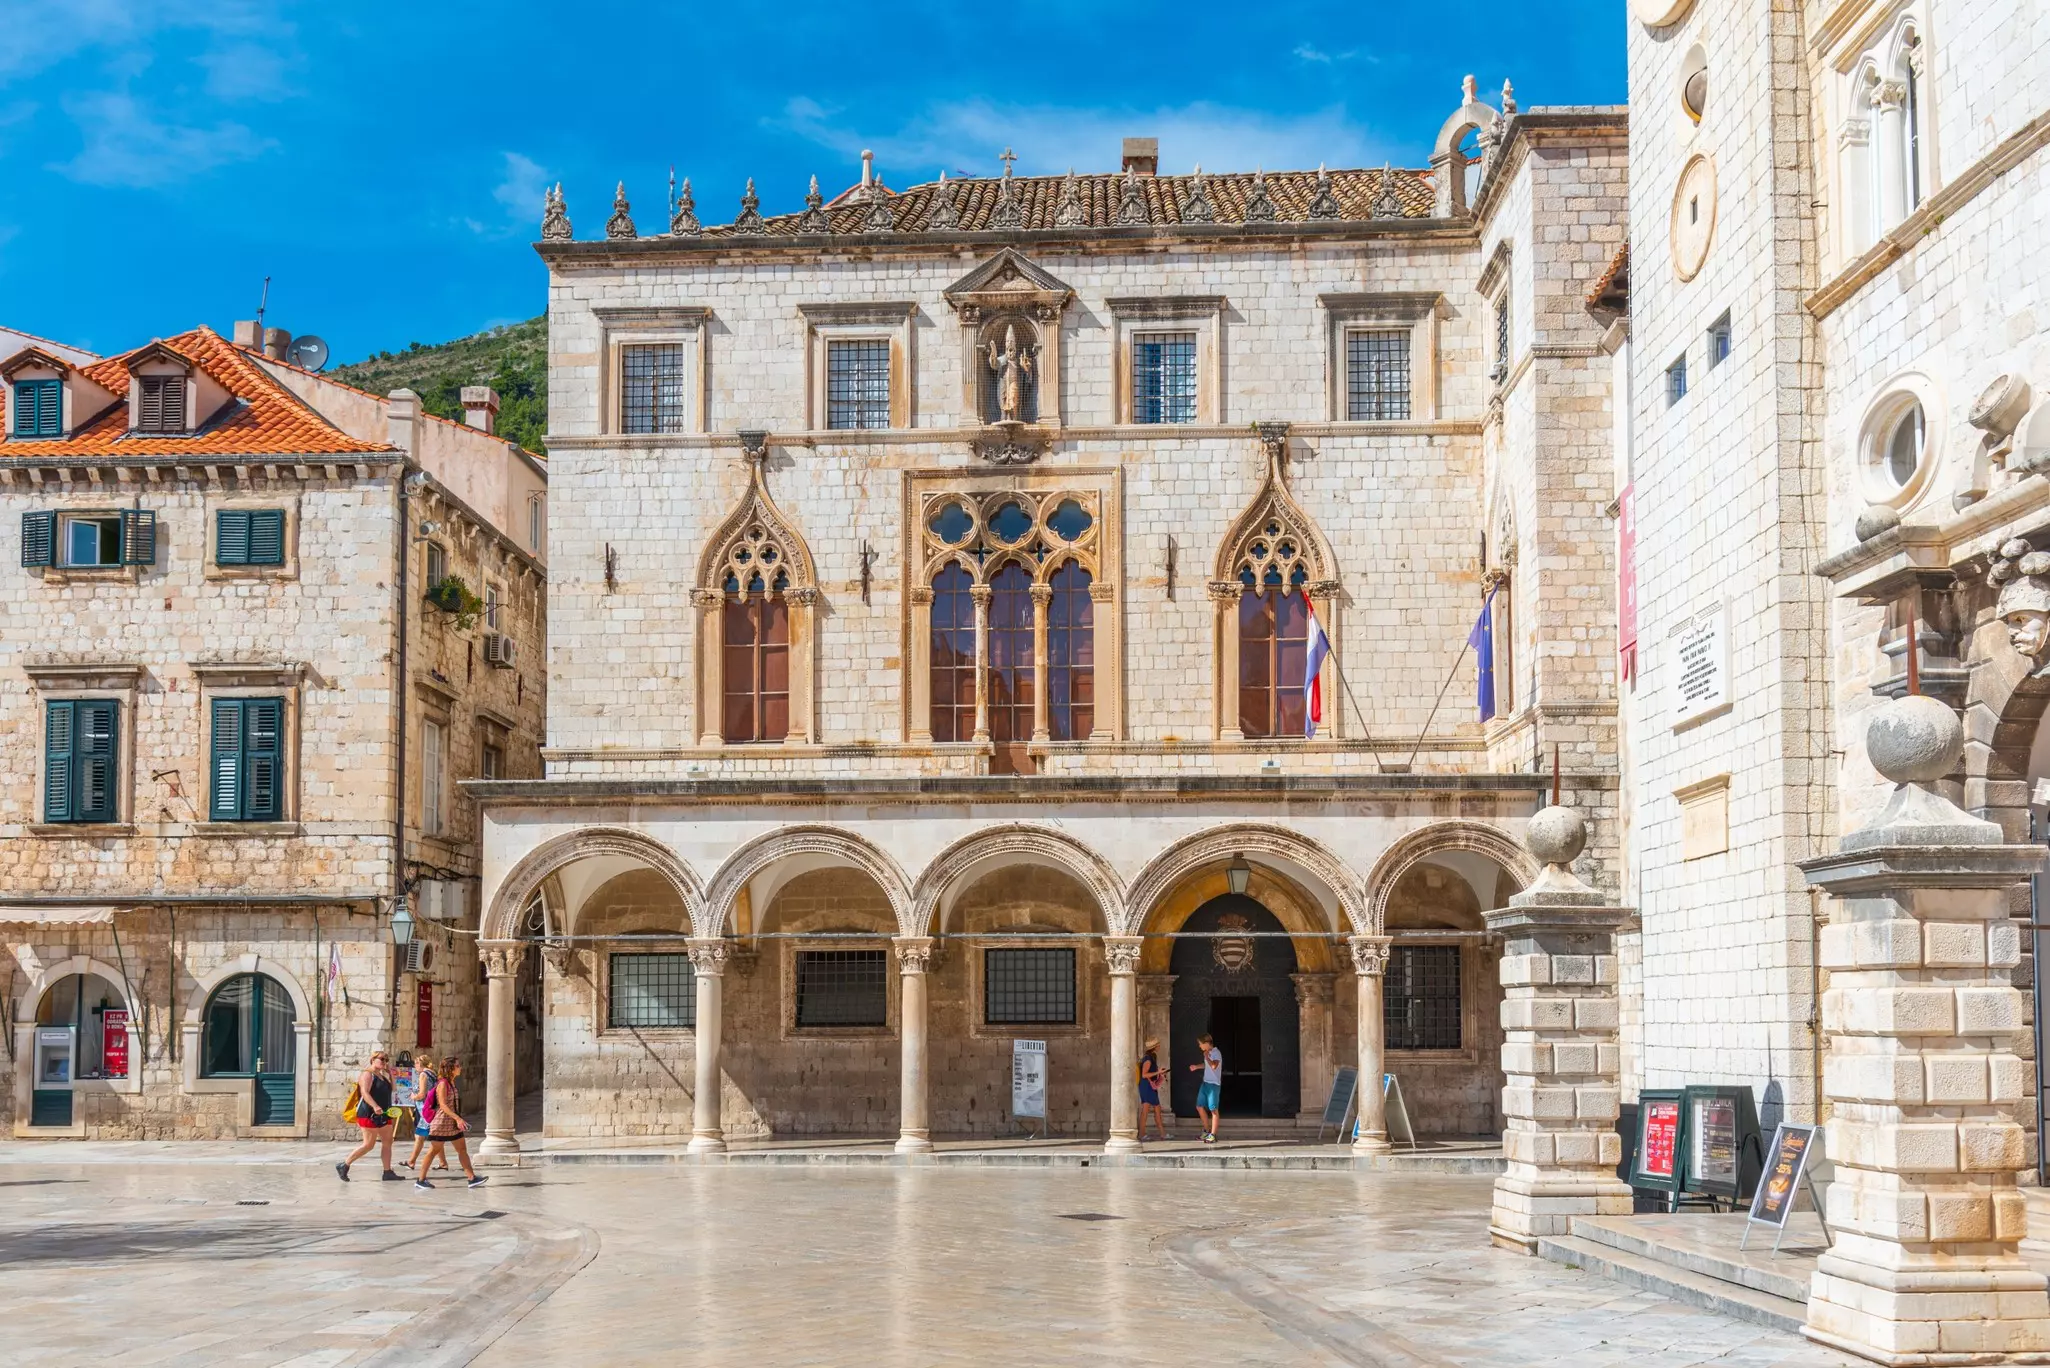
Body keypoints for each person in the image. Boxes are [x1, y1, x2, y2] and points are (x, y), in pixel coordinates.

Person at [415, 1056, 488, 1191]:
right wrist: (458, 1119)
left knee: (462, 1149)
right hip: (442, 1123)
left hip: (452, 1124)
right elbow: (442, 1105)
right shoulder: (443, 1083)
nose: (460, 1068)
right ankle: (420, 1180)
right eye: (458, 1066)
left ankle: (471, 1178)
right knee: (433, 1151)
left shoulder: (451, 1082)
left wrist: (457, 1119)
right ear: (450, 1068)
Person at [337, 1051, 401, 1181]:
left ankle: (387, 1172)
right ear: (373, 1059)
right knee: (368, 1145)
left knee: (388, 1141)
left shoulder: (382, 1076)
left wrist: (391, 1074)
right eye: (382, 1059)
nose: (384, 1062)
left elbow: (394, 1089)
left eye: (386, 1060)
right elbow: (365, 1093)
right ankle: (344, 1165)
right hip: (369, 1114)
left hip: (384, 1114)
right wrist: (375, 1106)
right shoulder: (367, 1074)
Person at [401, 1056, 447, 1177]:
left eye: (415, 1063)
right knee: (435, 1136)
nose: (414, 1066)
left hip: (425, 1111)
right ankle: (443, 1163)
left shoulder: (423, 1075)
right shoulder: (434, 1074)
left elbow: (422, 1094)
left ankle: (411, 1162)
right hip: (432, 1109)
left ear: (420, 1064)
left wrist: (413, 1097)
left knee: (420, 1136)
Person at [1186, 1033, 1223, 1143]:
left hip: (1213, 1085)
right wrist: (1196, 1067)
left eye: (1200, 1044)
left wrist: (1207, 1057)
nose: (1199, 1046)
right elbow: (1207, 1065)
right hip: (1205, 1083)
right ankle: (1206, 1131)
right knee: (1199, 1106)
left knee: (1213, 1109)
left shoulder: (1216, 1053)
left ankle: (1213, 1135)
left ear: (1207, 1043)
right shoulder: (1207, 1053)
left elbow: (1214, 1066)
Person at [1138, 1038, 1171, 1141]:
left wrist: (1160, 1072)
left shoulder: (1152, 1057)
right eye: (1158, 1045)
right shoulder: (1148, 1059)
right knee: (1146, 1110)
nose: (1159, 1046)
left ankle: (1162, 1134)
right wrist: (1158, 1073)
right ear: (1154, 1047)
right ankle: (1142, 1134)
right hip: (1147, 1086)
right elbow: (1144, 1074)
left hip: (1149, 1086)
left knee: (1157, 1109)